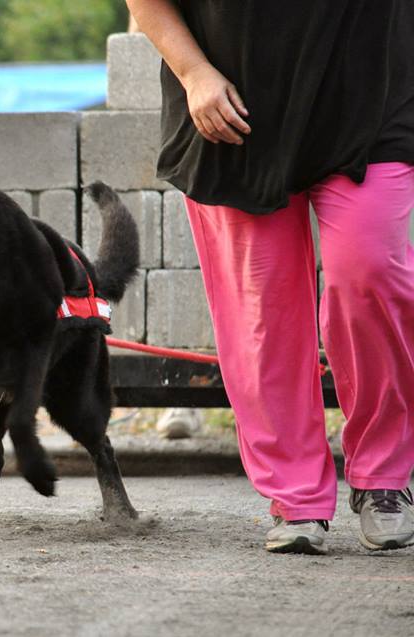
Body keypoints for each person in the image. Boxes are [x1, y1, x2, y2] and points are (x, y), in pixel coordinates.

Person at [127, 0, 414, 554]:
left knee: (371, 273)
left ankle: (384, 477)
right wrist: (193, 73)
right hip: (234, 108)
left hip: (373, 97)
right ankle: (296, 496)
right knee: (261, 310)